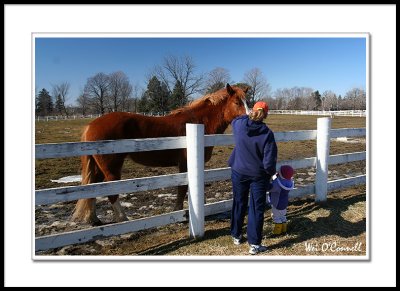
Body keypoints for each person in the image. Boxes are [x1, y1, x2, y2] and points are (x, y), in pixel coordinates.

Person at [228, 101, 278, 255]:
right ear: (266, 114)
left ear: (253, 111)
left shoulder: (240, 125)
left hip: (239, 171)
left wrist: (247, 114)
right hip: (258, 175)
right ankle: (254, 244)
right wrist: (271, 174)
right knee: (257, 208)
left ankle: (236, 234)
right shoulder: (267, 133)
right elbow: (269, 162)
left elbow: (235, 119)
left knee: (239, 202)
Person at [267, 165, 295, 235]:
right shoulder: (289, 182)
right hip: (284, 203)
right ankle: (284, 229)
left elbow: (270, 188)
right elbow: (279, 178)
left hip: (276, 203)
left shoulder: (277, 184)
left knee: (276, 217)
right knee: (283, 216)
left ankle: (277, 232)